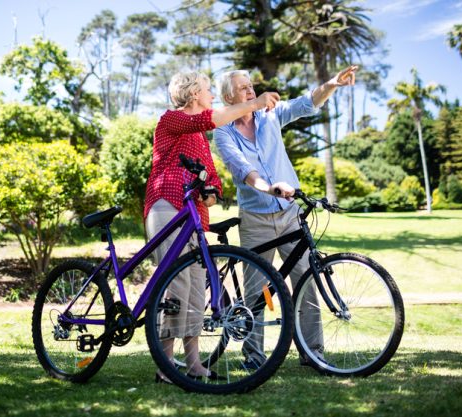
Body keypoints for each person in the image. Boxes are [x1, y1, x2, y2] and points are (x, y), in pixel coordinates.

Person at [213, 65, 358, 370]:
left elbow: (306, 103)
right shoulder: (223, 133)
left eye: (251, 86)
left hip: (289, 215)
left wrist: (332, 83)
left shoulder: (270, 115)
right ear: (229, 98)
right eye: (243, 88)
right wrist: (270, 188)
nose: (251, 91)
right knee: (258, 289)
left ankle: (313, 353)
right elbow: (241, 170)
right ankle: (254, 358)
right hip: (256, 218)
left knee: (305, 281)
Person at [144, 71, 280, 383]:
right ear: (193, 94)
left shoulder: (201, 140)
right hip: (167, 205)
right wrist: (254, 103)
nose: (212, 95)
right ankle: (165, 365)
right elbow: (210, 119)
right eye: (208, 90)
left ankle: (193, 364)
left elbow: (214, 181)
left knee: (195, 291)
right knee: (176, 285)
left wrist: (211, 193)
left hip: (194, 217)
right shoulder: (173, 120)